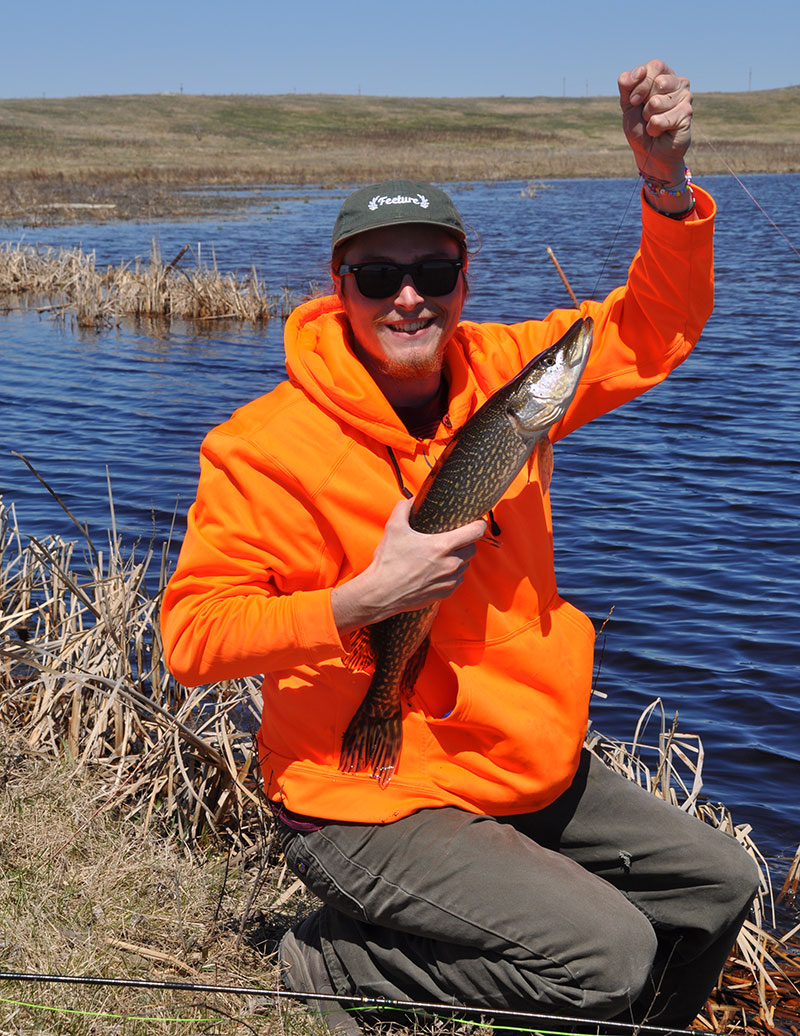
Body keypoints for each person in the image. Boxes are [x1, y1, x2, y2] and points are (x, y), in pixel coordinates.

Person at [161, 60, 759, 1033]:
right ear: (338, 284)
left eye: (432, 272)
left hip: (512, 760)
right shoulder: (261, 446)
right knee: (606, 953)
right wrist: (363, 599)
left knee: (718, 884)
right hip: (352, 791)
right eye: (379, 275)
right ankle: (336, 960)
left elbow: (651, 327)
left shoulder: (511, 383)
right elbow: (190, 639)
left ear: (463, 278)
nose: (408, 298)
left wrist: (663, 183)